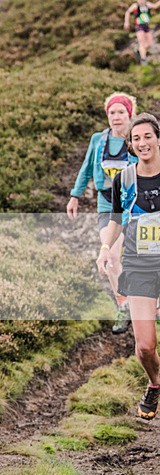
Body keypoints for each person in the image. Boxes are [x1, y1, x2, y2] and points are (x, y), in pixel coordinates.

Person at [97, 112, 160, 420]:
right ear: (131, 146)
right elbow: (116, 220)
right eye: (136, 139)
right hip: (139, 265)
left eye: (148, 136)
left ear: (158, 139)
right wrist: (106, 248)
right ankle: (155, 383)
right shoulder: (124, 179)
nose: (142, 143)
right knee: (146, 346)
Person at [67, 92, 138, 334]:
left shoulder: (137, 138)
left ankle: (149, 305)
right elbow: (86, 168)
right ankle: (124, 305)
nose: (116, 117)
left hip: (135, 206)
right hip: (108, 205)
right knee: (111, 257)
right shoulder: (99, 139)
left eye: (121, 112)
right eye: (112, 113)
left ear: (130, 114)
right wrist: (75, 195)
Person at [124, 0, 160, 65]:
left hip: (147, 26)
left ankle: (140, 51)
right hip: (139, 26)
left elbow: (155, 6)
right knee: (142, 42)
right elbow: (128, 12)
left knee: (150, 43)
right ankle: (143, 60)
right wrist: (126, 22)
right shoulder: (135, 5)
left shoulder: (147, 4)